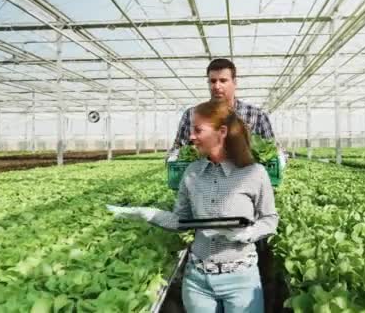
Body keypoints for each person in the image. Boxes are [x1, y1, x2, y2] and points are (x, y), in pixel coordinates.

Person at [107, 99, 279, 313]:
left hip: (241, 281)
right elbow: (181, 221)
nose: (191, 136)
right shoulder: (192, 173)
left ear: (222, 132)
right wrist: (148, 214)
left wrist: (249, 232)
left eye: (198, 130)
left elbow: (270, 220)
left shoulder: (254, 173)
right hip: (197, 280)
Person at [167, 58, 276, 161]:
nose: (217, 86)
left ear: (234, 82)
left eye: (223, 81)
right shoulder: (191, 115)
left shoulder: (257, 116)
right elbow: (176, 150)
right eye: (213, 81)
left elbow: (274, 151)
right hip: (202, 178)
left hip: (244, 179)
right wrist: (174, 158)